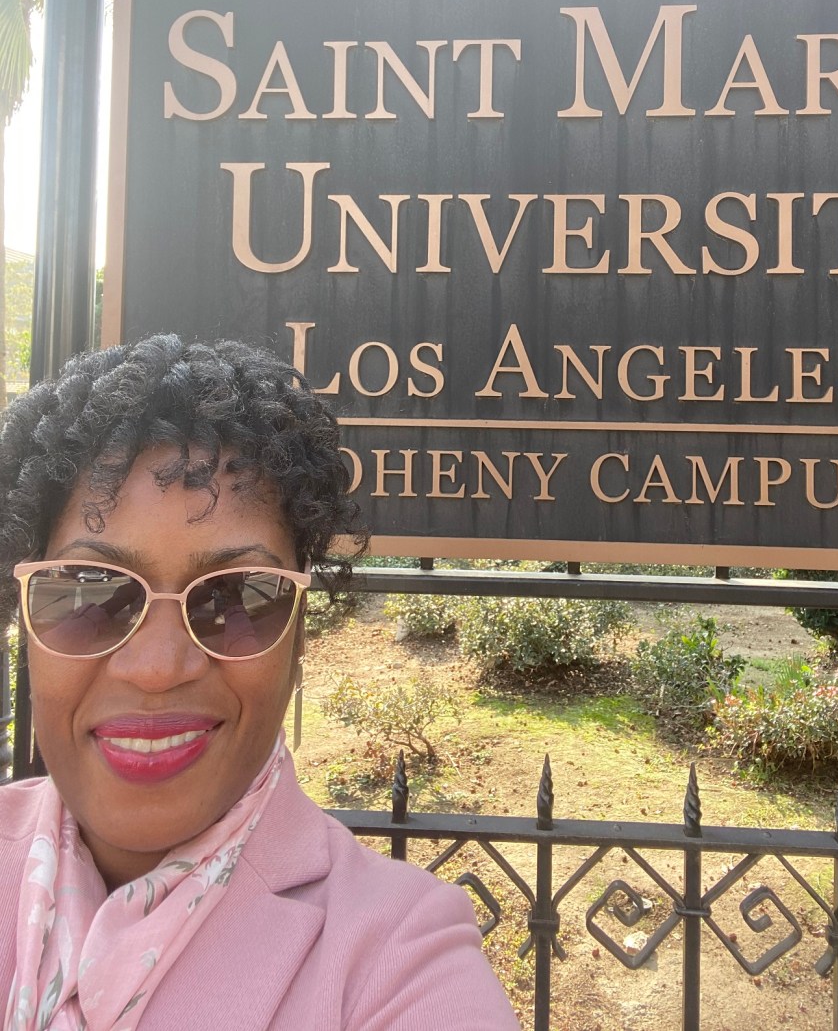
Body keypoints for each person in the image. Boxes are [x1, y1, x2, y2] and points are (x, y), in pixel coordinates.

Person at [0, 335, 521, 1031]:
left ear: (299, 639)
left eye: (237, 597)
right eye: (92, 590)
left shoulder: (399, 959)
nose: (157, 667)